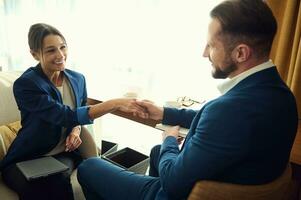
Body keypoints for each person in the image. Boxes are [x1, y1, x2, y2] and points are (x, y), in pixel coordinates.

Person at [77, 0, 298, 199]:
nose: (204, 53)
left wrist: (170, 141)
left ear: (241, 53)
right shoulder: (281, 96)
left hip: (178, 194)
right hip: (241, 179)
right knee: (156, 153)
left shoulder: (228, 110)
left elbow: (173, 183)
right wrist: (164, 113)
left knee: (90, 167)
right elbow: (223, 125)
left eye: (211, 45)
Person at [0, 23, 145, 200]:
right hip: (27, 156)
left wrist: (76, 129)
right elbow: (64, 115)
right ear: (34, 54)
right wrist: (114, 104)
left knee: (59, 180)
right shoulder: (26, 85)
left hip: (62, 153)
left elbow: (78, 113)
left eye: (63, 47)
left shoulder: (77, 79)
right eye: (51, 50)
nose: (60, 55)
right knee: (36, 188)